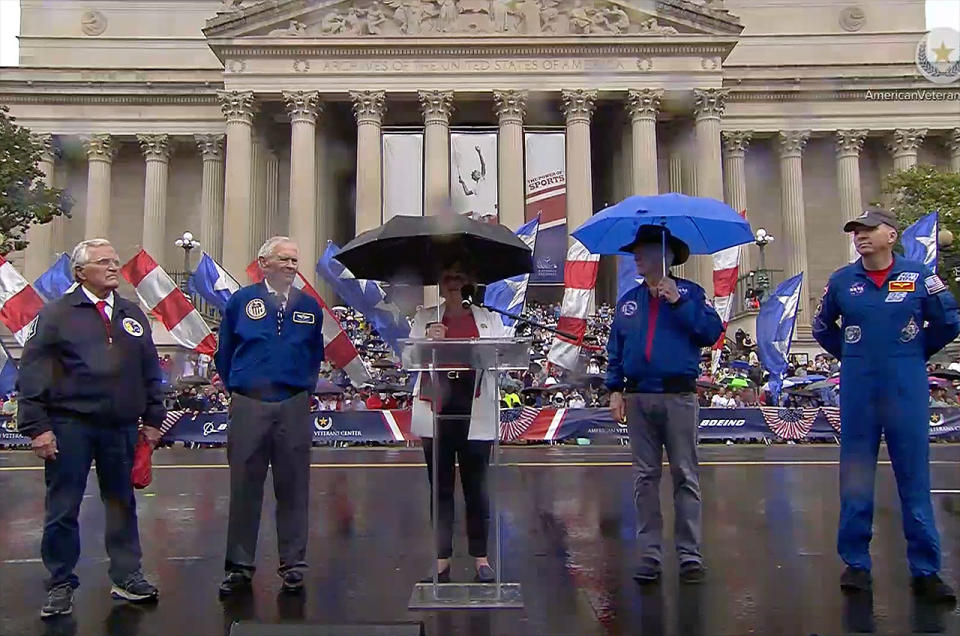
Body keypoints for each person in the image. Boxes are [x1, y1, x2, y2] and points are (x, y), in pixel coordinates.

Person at [812, 207, 958, 604]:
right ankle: (856, 563)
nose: (859, 236)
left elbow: (948, 321)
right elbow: (822, 326)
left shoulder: (920, 277)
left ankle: (926, 570)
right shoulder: (843, 281)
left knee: (914, 479)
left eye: (867, 229)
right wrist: (852, 354)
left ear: (891, 235)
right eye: (855, 231)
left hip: (905, 386)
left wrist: (913, 353)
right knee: (856, 477)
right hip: (859, 387)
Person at [17, 239, 165, 618]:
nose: (114, 267)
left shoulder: (131, 314)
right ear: (81, 272)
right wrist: (37, 427)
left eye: (115, 261)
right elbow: (33, 373)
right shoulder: (56, 314)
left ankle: (127, 575)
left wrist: (152, 418)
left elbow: (149, 370)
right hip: (70, 426)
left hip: (120, 427)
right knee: (64, 507)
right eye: (104, 262)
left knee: (121, 504)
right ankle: (61, 583)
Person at [605, 225, 723, 585]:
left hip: (678, 396)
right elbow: (616, 349)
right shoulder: (629, 301)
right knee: (644, 478)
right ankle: (650, 554)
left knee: (685, 476)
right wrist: (614, 388)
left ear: (665, 255)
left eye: (642, 250)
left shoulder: (690, 292)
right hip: (638, 396)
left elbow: (710, 332)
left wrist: (679, 302)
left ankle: (689, 554)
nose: (635, 256)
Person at [214, 236, 326, 596]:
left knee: (294, 487)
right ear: (263, 263)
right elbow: (225, 351)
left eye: (295, 260)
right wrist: (241, 386)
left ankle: (293, 563)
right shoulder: (241, 301)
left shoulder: (310, 306)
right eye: (284, 259)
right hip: (249, 402)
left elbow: (314, 354)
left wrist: (302, 388)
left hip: (293, 402)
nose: (291, 266)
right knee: (244, 487)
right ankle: (239, 566)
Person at [410, 258, 507, 584]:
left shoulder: (489, 319)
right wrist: (427, 343)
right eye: (448, 276)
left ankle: (481, 557)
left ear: (470, 282)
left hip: (474, 406)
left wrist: (482, 351)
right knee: (440, 489)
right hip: (437, 405)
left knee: (476, 488)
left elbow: (503, 358)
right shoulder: (425, 318)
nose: (453, 282)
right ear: (440, 282)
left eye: (459, 276)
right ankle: (441, 559)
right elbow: (407, 359)